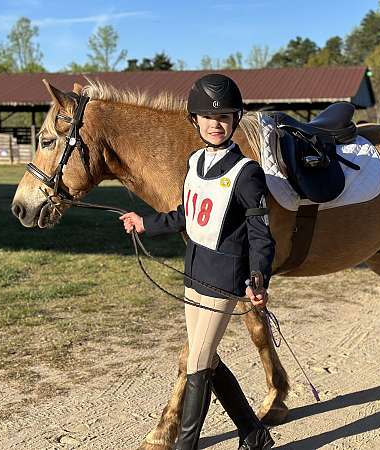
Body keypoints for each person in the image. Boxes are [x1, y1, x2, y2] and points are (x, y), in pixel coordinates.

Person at [119, 74, 276, 450]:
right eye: (206, 116)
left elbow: (260, 233)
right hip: (194, 273)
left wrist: (258, 277)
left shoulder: (247, 172)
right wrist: (146, 223)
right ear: (195, 120)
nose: (215, 123)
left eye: (223, 117)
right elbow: (186, 215)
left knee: (197, 364)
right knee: (208, 360)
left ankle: (185, 445)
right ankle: (254, 435)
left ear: (236, 120)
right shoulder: (194, 163)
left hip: (225, 277)